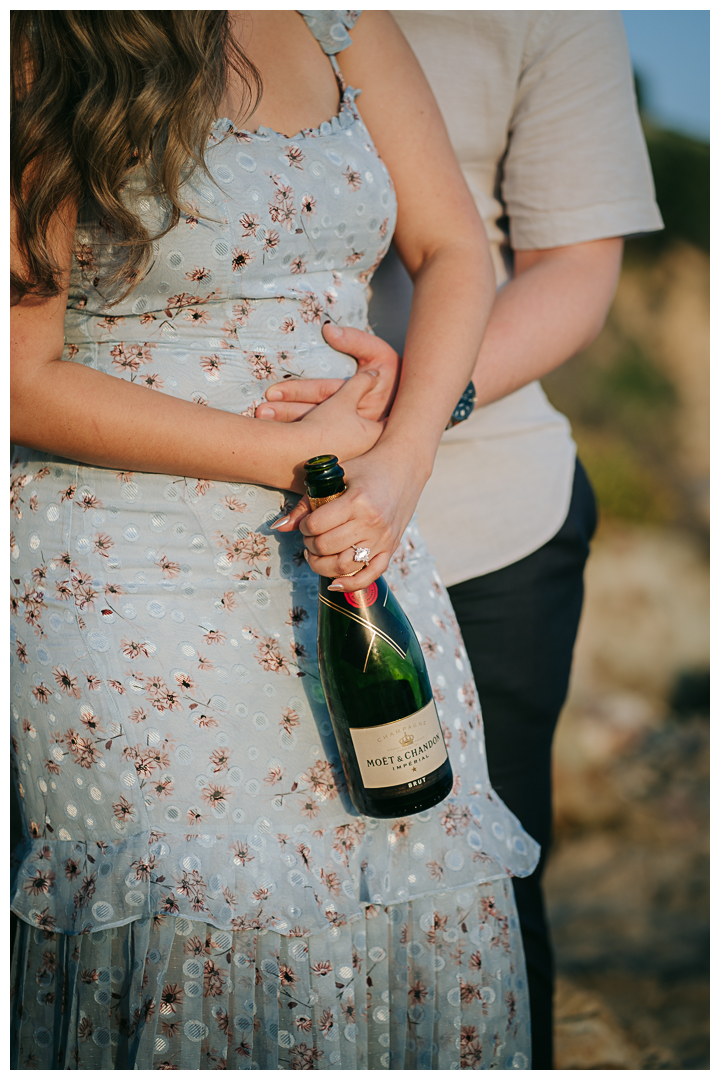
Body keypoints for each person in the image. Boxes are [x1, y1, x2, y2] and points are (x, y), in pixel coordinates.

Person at [10, 10, 539, 1071]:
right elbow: (16, 374)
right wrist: (294, 459)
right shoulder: (55, 35)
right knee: (199, 923)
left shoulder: (339, 17)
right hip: (128, 573)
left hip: (359, 543)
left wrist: (397, 464)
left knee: (406, 856)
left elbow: (453, 254)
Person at [255, 11, 663, 1068]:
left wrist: (419, 413)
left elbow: (575, 264)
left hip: (490, 523)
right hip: (227, 523)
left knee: (480, 872)